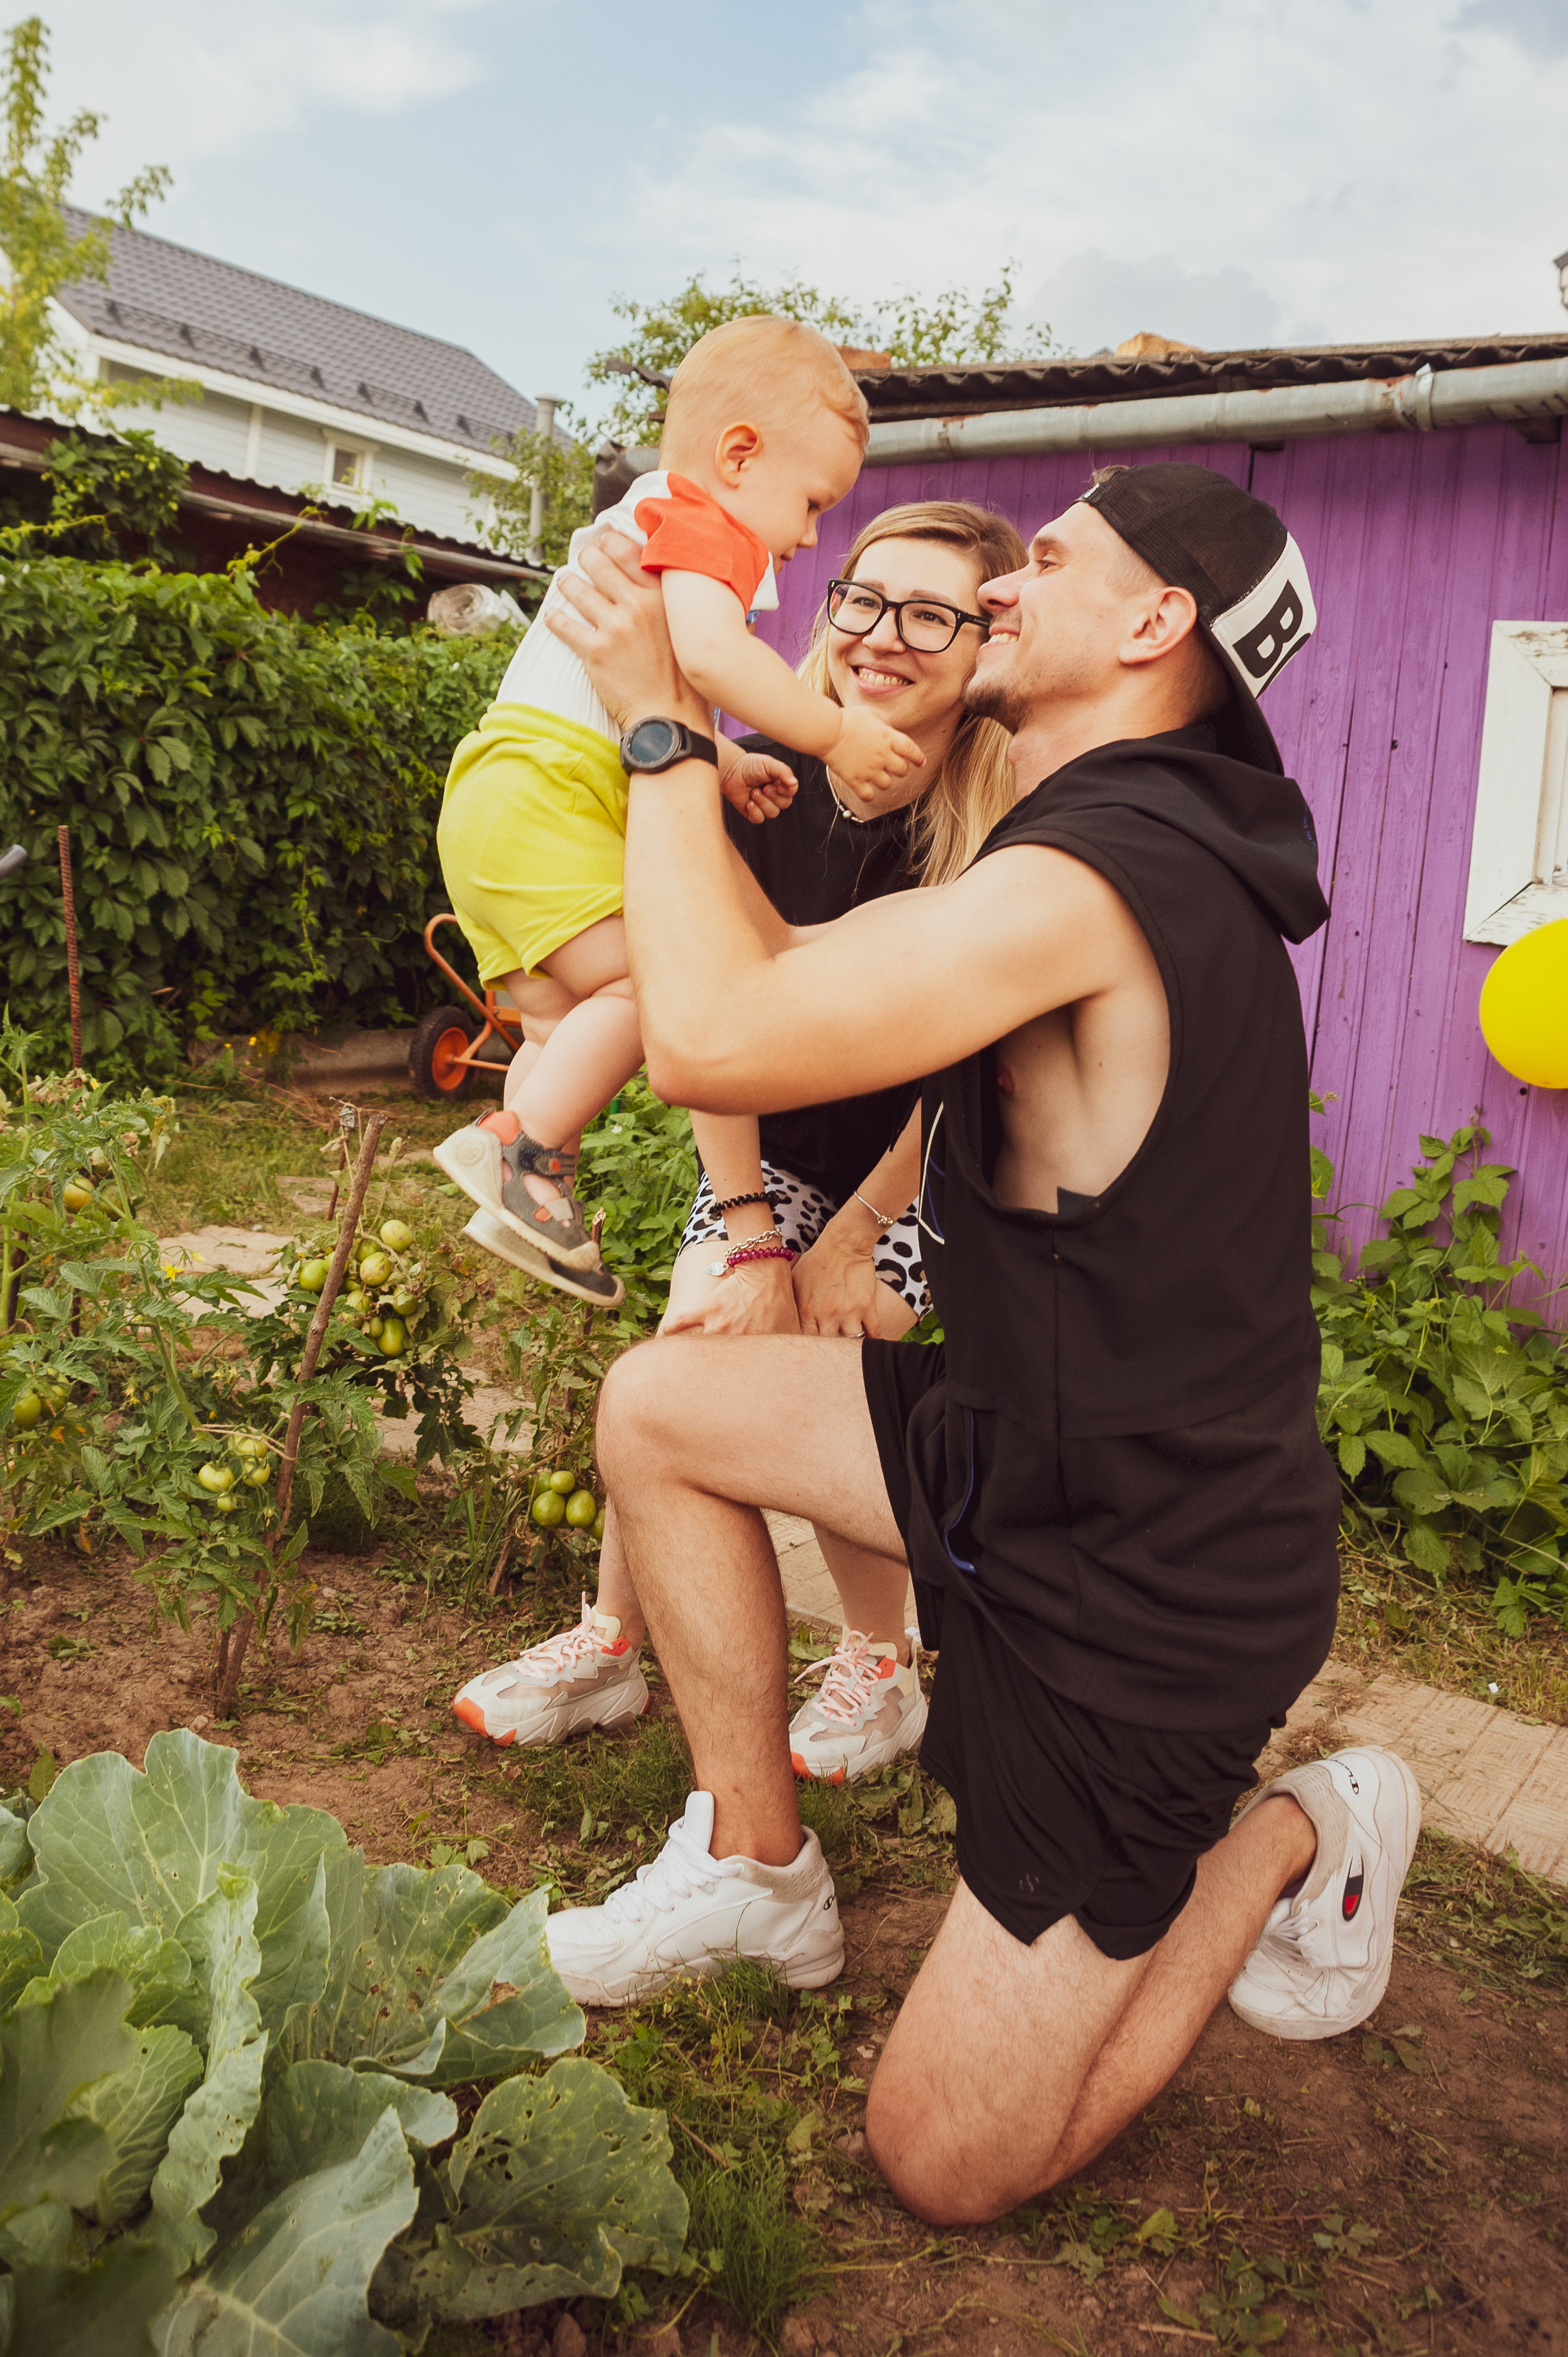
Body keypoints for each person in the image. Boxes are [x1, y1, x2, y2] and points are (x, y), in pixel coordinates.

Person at [527, 460, 1422, 2223]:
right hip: (1016, 1443)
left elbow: (717, 1029)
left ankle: (1312, 1824)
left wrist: (659, 727)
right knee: (666, 1404)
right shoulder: (1083, 848)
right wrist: (841, 1233)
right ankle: (752, 1865)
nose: (1006, 587)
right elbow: (791, 971)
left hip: (1149, 1583)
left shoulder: (1099, 880)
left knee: (941, 2163)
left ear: (1155, 624)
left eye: (1054, 564)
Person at [451, 500, 1025, 1782]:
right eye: (861, 599)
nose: (882, 636)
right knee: (696, 1347)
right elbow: (694, 999)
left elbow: (962, 1073)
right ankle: (612, 1641)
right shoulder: (749, 773)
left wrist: (862, 1239)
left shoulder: (1005, 818)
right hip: (769, 1143)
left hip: (931, 1160)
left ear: (982, 635)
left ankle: (881, 1662)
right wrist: (756, 1233)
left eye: (929, 612)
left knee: (847, 1356)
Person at [431, 316, 922, 1304]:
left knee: (558, 1014)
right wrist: (832, 735)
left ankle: (530, 1191)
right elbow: (703, 659)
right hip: (554, 791)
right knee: (654, 991)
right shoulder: (701, 518)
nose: (811, 534)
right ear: (739, 455)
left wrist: (727, 757)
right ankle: (518, 1147)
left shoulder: (649, 520)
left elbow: (646, 689)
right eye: (814, 501)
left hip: (506, 791)